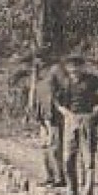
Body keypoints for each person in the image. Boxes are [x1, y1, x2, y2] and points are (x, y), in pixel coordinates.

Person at [52, 54, 98, 195]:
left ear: (82, 67)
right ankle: (71, 189)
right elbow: (56, 100)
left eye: (77, 67)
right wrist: (65, 112)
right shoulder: (65, 82)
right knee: (68, 157)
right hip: (70, 119)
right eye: (70, 67)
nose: (74, 70)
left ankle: (87, 191)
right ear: (67, 69)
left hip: (87, 119)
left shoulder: (92, 81)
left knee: (87, 157)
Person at [32, 59, 68, 188]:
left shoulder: (56, 69)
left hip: (54, 115)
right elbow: (37, 94)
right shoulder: (38, 72)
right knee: (45, 147)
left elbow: (66, 88)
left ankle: (60, 177)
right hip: (43, 115)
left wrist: (59, 105)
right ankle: (50, 176)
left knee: (55, 147)